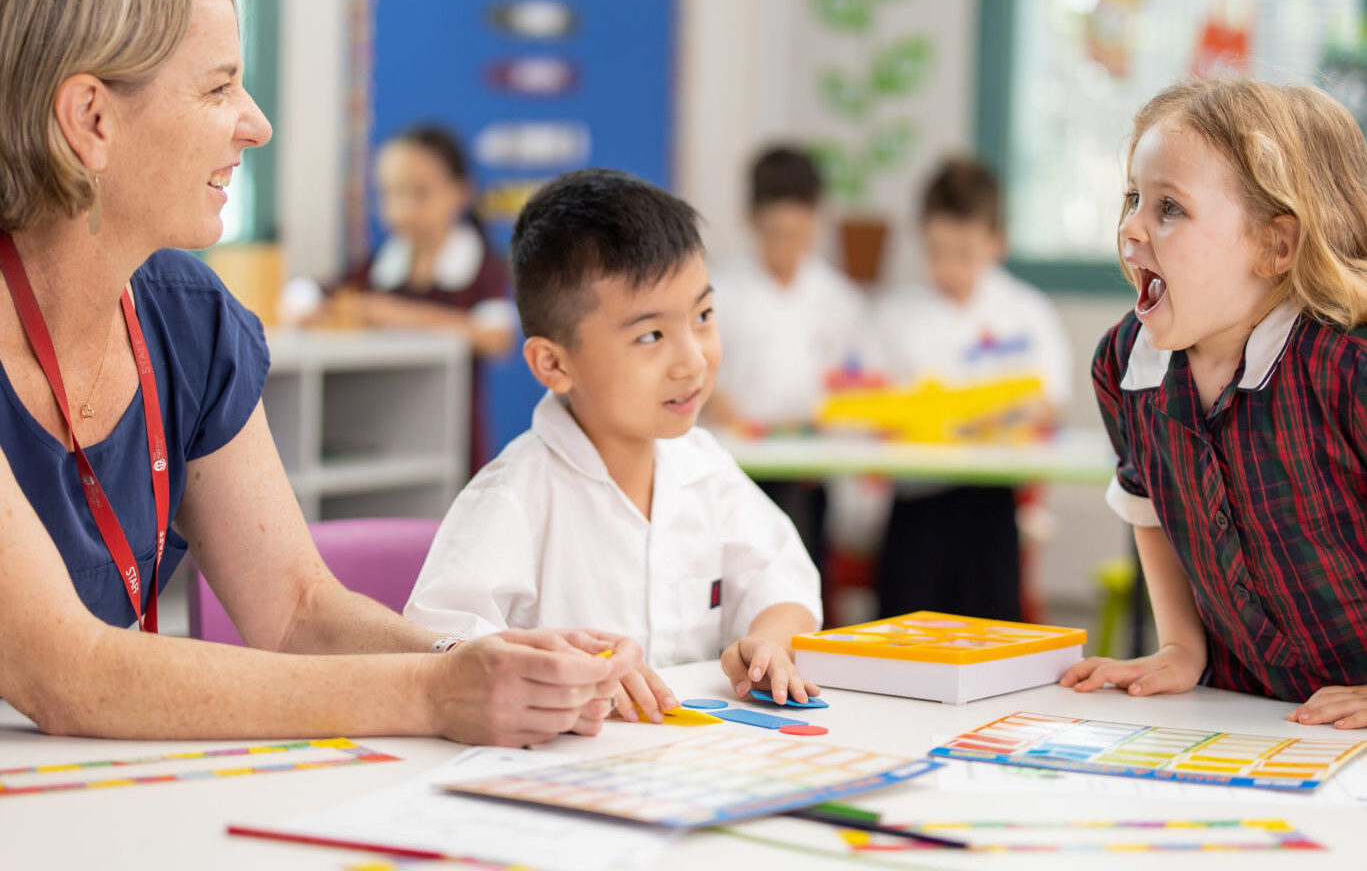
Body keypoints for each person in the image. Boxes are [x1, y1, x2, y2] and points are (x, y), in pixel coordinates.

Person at [0, 0, 637, 746]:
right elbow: (70, 674)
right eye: (218, 87)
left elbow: (296, 610)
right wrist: (434, 693)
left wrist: (483, 659)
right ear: (91, 119)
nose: (255, 124)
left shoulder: (188, 320)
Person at [405, 169, 823, 718]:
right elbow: (442, 647)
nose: (693, 359)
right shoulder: (516, 495)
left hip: (697, 762)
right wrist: (564, 673)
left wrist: (770, 640)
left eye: (702, 316)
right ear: (553, 363)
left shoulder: (704, 466)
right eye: (650, 335)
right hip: (557, 776)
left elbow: (782, 579)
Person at [1062, 79, 1367, 730]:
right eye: (1133, 199)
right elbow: (1144, 505)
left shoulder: (1348, 367)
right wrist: (1180, 646)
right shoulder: (1126, 365)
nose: (1131, 228)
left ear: (1275, 246)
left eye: (1168, 208)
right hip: (1249, 711)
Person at [870, 157, 1072, 621]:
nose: (949, 267)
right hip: (915, 502)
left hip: (992, 501)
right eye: (936, 250)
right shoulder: (897, 314)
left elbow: (1051, 401)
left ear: (995, 242)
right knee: (904, 637)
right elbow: (872, 400)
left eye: (964, 252)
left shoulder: (1023, 310)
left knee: (991, 634)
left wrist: (999, 414)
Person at [706, 145, 865, 578]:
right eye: (774, 233)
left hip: (808, 474)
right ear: (752, 219)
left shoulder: (838, 298)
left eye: (797, 234)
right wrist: (715, 398)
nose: (786, 246)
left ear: (817, 220)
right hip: (735, 469)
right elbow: (699, 374)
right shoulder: (718, 292)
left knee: (801, 579)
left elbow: (854, 382)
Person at [334, 125, 516, 466]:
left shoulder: (483, 268)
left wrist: (395, 313)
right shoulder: (375, 267)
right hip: (379, 430)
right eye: (390, 193)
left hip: (453, 442)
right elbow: (318, 297)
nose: (403, 208)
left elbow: (495, 337)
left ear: (460, 192)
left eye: (419, 192)